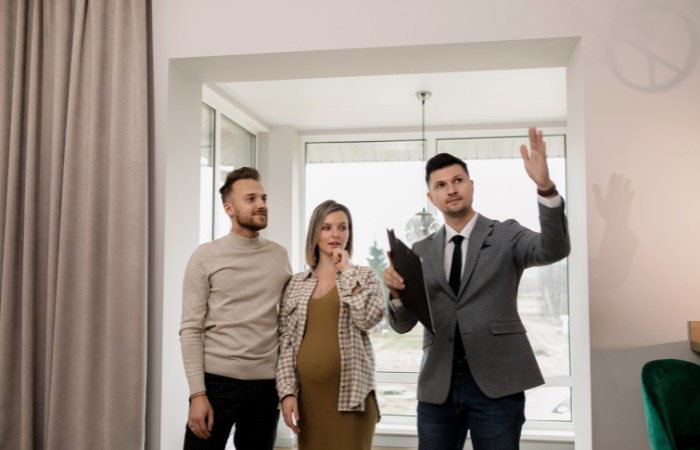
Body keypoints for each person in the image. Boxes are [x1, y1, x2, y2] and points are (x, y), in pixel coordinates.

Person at [383, 127, 571, 450]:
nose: (451, 189)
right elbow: (402, 326)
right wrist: (397, 295)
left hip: (497, 386)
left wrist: (545, 188)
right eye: (440, 185)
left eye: (457, 180)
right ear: (431, 198)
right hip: (437, 387)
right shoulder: (420, 251)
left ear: (471, 185)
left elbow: (553, 249)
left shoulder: (506, 235)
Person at [179, 167, 292, 450]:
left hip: (267, 387)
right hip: (217, 385)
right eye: (251, 198)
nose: (262, 204)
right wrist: (197, 394)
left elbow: (292, 320)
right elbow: (191, 329)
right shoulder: (206, 256)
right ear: (229, 208)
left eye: (263, 198)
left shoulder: (279, 256)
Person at [276, 200, 385, 450]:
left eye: (342, 227)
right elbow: (286, 343)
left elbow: (368, 319)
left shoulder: (364, 277)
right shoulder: (295, 283)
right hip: (308, 403)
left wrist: (346, 270)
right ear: (315, 233)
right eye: (326, 228)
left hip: (352, 400)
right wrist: (287, 392)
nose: (335, 234)